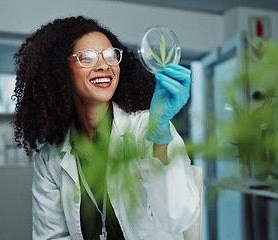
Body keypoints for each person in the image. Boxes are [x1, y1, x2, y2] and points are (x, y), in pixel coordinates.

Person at [13, 15, 200, 240]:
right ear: (61, 71)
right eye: (87, 58)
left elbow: (176, 218)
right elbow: (52, 237)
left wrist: (160, 137)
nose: (104, 65)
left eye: (111, 56)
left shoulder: (148, 129)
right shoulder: (49, 159)